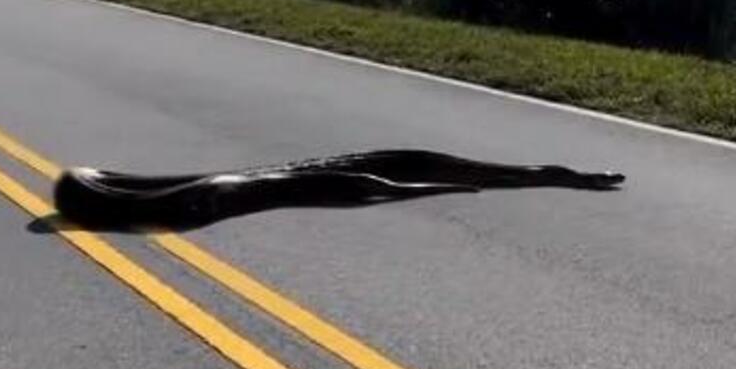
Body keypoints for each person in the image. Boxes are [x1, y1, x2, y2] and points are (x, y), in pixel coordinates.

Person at [54, 149, 625, 229]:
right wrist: (418, 190)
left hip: (204, 195)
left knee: (280, 180)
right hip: (194, 199)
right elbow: (365, 185)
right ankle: (564, 175)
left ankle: (565, 173)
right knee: (275, 183)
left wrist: (562, 174)